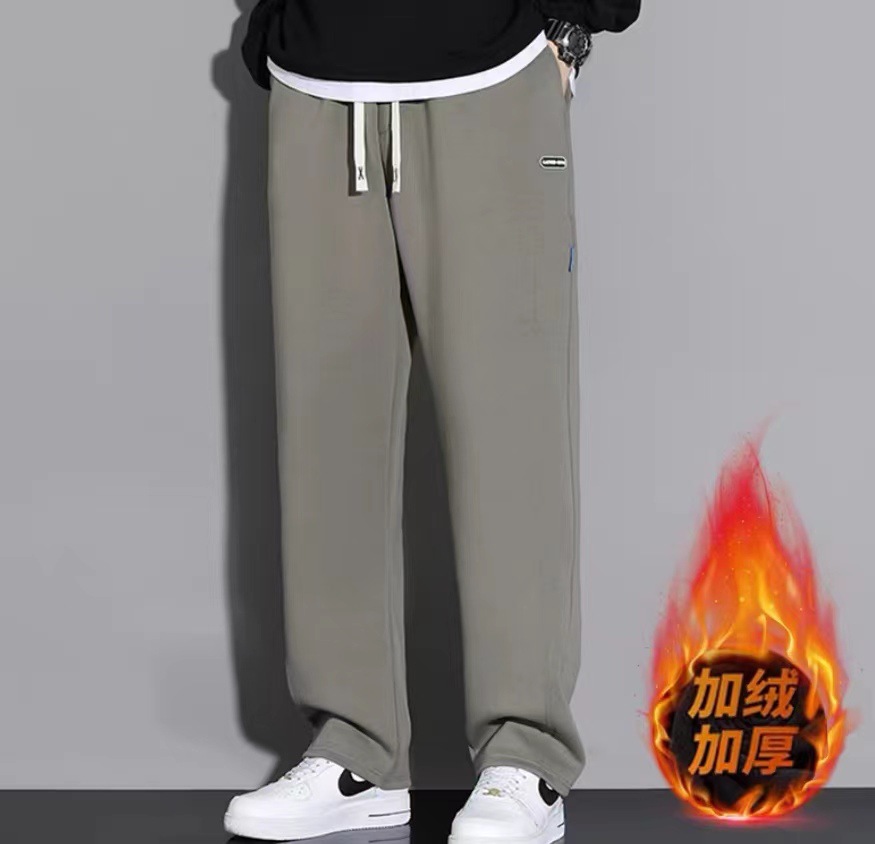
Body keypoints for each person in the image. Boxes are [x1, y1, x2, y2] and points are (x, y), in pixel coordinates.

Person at [225, 1, 640, 841]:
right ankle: (356, 752)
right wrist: (277, 21)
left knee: (509, 429)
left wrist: (573, 23)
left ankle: (525, 756)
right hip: (319, 77)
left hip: (490, 66)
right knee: (327, 435)